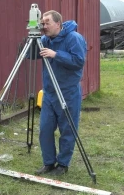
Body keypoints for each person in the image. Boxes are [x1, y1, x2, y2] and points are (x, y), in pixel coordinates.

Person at [35, 10, 87, 176]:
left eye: (47, 23)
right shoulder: (44, 39)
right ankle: (49, 163)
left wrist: (56, 54)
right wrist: (31, 38)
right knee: (45, 129)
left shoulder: (74, 38)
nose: (44, 26)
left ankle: (63, 164)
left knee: (67, 129)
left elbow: (78, 61)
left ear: (58, 23)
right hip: (50, 93)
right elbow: (30, 56)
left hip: (68, 92)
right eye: (42, 23)